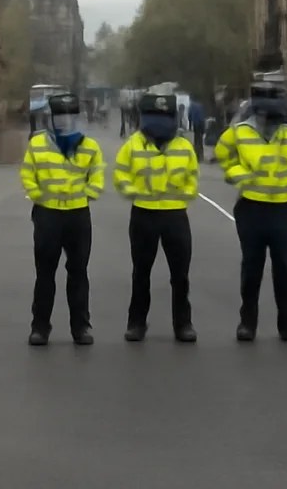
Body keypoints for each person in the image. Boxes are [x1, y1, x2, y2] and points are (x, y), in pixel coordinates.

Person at [215, 80, 287, 343]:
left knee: (284, 269)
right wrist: (239, 174)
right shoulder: (239, 132)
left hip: (282, 208)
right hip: (251, 208)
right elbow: (223, 155)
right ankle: (247, 323)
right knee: (252, 268)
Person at [114, 93, 198, 343]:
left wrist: (185, 194)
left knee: (180, 274)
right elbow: (121, 174)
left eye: (164, 117)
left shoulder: (183, 146)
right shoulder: (133, 144)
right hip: (144, 214)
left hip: (175, 215)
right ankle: (136, 323)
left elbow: (193, 176)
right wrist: (132, 191)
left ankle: (183, 324)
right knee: (141, 272)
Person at [21, 92, 104, 346]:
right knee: (45, 273)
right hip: (47, 214)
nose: (65, 121)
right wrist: (39, 196)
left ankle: (81, 327)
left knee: (78, 272)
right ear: (52, 118)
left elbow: (97, 175)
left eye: (70, 116)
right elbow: (28, 174)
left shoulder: (89, 145)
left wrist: (88, 195)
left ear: (78, 117)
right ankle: (40, 328)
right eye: (60, 116)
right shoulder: (37, 144)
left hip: (78, 215)